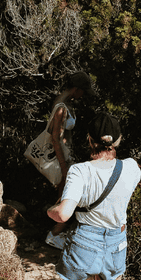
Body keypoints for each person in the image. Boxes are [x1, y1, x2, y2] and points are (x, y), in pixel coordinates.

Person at [47, 113, 141, 280]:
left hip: (84, 243)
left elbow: (64, 213)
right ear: (118, 141)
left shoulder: (81, 172)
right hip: (116, 243)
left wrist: (50, 210)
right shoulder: (132, 168)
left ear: (89, 140)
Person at [44, 70, 95, 249]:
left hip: (66, 157)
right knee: (67, 196)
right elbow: (55, 138)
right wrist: (64, 165)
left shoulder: (63, 103)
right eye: (82, 91)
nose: (82, 96)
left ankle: (56, 232)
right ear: (76, 89)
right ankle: (54, 234)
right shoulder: (61, 107)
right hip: (62, 158)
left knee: (64, 195)